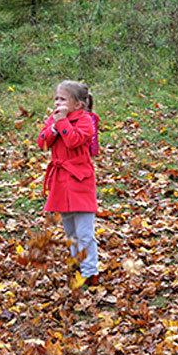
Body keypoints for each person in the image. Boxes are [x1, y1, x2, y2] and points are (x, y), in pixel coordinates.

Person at [38, 80, 100, 286]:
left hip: (80, 181)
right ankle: (77, 263)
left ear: (77, 105)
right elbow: (43, 143)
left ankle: (90, 271)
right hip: (61, 182)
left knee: (85, 231)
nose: (57, 103)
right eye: (56, 98)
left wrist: (61, 123)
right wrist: (54, 126)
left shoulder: (85, 120)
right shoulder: (54, 119)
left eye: (63, 99)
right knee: (70, 230)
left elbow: (74, 140)